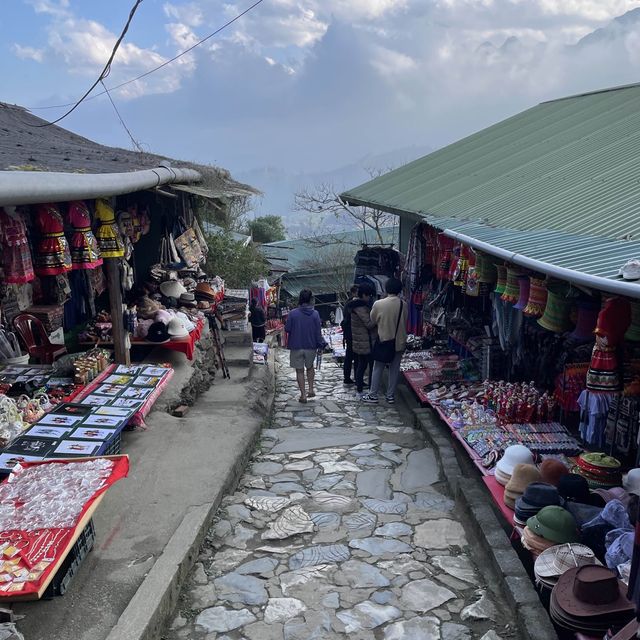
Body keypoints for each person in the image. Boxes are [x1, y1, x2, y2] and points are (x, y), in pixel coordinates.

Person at [361, 278, 407, 405]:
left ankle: (373, 395)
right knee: (394, 369)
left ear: (386, 289)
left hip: (384, 340)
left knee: (377, 368)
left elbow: (373, 319)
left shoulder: (379, 304)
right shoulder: (404, 304)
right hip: (399, 341)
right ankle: (390, 396)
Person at [285, 289, 326, 403]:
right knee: (310, 367)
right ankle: (311, 389)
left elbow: (287, 328)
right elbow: (318, 332)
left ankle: (303, 395)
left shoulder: (293, 313)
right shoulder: (315, 314)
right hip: (311, 346)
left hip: (296, 346)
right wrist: (320, 345)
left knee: (299, 371)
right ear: (310, 300)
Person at [350, 283, 377, 396]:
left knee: (362, 364)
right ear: (364, 295)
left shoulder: (355, 305)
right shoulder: (360, 308)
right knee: (370, 366)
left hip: (360, 341)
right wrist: (377, 318)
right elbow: (369, 324)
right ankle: (370, 388)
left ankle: (360, 386)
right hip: (366, 342)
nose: (370, 297)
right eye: (368, 295)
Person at [340, 285, 359, 384]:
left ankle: (348, 377)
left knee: (349, 356)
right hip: (352, 332)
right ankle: (355, 377)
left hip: (348, 333)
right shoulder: (353, 303)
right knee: (355, 356)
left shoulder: (348, 303)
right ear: (354, 292)